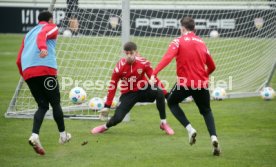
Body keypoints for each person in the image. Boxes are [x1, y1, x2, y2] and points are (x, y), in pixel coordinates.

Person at [150, 17, 221, 156]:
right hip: (201, 83)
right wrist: (205, 75)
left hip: (184, 83)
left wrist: (154, 73)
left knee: (171, 101)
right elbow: (212, 66)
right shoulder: (202, 43)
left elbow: (168, 57)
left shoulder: (178, 41)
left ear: (182, 28)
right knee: (206, 111)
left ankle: (190, 129)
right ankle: (214, 138)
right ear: (193, 28)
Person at [16, 11, 71, 155]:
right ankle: (63, 135)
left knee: (42, 105)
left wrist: (26, 76)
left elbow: (18, 60)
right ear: (50, 19)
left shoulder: (27, 35)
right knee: (55, 103)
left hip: (28, 73)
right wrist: (43, 48)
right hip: (45, 70)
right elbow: (43, 36)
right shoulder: (51, 27)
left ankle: (34, 135)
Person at [91, 42, 174, 135]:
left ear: (136, 53)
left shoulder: (144, 63)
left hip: (144, 89)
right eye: (127, 54)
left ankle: (164, 123)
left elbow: (154, 78)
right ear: (124, 53)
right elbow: (112, 86)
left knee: (159, 93)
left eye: (131, 53)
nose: (129, 56)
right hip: (128, 94)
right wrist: (107, 106)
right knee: (118, 118)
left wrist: (166, 94)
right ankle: (104, 127)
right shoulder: (119, 67)